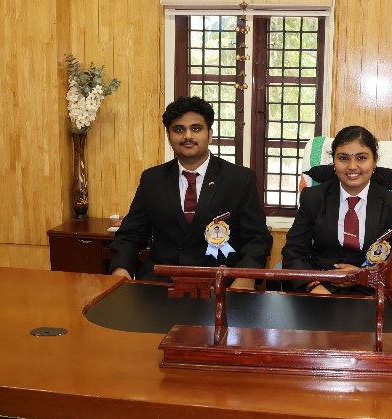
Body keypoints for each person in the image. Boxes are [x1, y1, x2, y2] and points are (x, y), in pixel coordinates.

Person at [109, 96, 272, 288]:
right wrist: (121, 269)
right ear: (169, 136)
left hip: (219, 286)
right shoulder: (152, 179)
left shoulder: (239, 179)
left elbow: (257, 239)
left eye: (196, 128)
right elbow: (129, 234)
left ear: (209, 134)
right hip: (160, 285)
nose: (187, 136)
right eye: (178, 129)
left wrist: (245, 278)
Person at [281, 126, 392, 294]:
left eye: (361, 158)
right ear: (334, 162)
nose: (352, 166)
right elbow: (293, 251)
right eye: (343, 158)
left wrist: (364, 275)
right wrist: (312, 285)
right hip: (320, 286)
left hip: (369, 290)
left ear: (374, 161)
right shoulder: (313, 198)